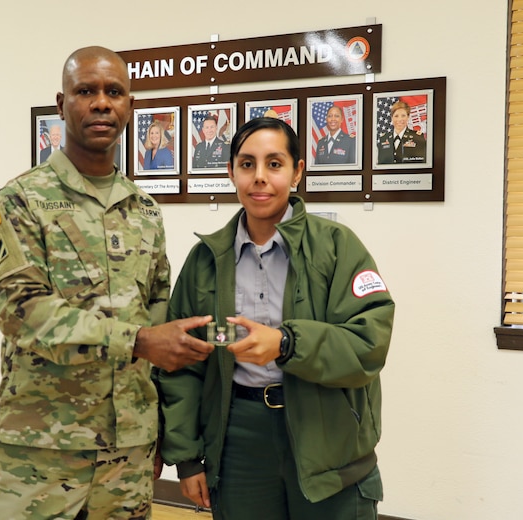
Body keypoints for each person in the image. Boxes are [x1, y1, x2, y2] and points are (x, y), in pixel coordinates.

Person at [0, 46, 215, 520]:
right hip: (40, 455)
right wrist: (140, 341)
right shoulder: (21, 201)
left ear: (131, 106)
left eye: (114, 92)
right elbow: (23, 315)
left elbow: (159, 312)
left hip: (128, 454)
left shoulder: (144, 210)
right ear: (61, 104)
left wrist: (159, 436)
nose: (101, 103)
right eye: (85, 91)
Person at [158, 117, 395, 520]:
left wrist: (286, 344)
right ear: (231, 171)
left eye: (274, 163)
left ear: (297, 171)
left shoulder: (337, 248)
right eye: (247, 164)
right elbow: (181, 366)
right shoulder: (205, 262)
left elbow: (369, 343)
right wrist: (188, 458)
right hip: (239, 442)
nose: (260, 178)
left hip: (327, 439)